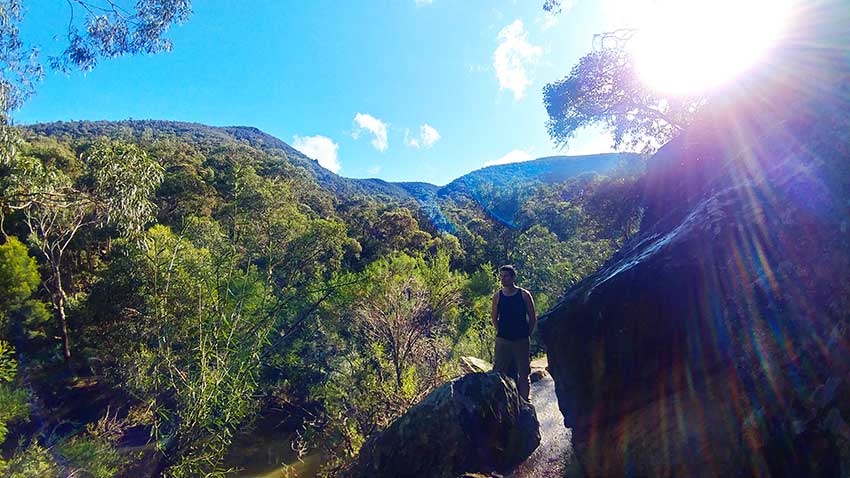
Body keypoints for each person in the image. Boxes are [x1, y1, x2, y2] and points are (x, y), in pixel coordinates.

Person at [491, 264, 537, 401]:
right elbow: (494, 318)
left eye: (506, 276)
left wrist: (526, 334)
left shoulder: (524, 295)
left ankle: (525, 402)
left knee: (523, 373)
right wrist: (500, 332)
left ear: (513, 277)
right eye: (501, 276)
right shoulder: (497, 296)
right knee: (499, 373)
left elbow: (533, 317)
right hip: (503, 340)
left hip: (521, 340)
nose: (503, 279)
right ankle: (502, 403)